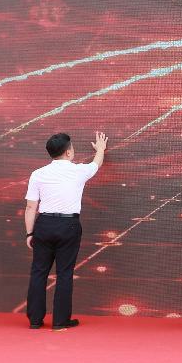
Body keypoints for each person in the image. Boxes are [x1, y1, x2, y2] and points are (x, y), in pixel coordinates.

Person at [24, 131, 107, 331]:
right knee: (64, 273)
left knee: (38, 272)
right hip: (69, 225)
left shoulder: (38, 174)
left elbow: (30, 207)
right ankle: (60, 320)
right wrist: (101, 149)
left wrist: (29, 233)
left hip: (43, 224)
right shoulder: (79, 171)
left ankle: (35, 320)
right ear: (68, 152)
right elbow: (97, 163)